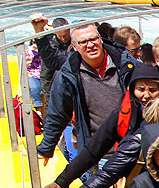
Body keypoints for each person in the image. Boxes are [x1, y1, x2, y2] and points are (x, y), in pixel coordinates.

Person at [44, 65, 159, 188]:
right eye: (141, 89)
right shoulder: (121, 116)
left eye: (153, 89)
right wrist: (62, 182)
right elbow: (93, 152)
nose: (146, 96)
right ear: (131, 90)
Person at [37, 22, 137, 164]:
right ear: (74, 46)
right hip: (97, 155)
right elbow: (58, 113)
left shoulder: (126, 64)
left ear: (100, 39)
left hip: (130, 150)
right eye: (83, 42)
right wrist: (46, 148)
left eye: (93, 39)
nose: (90, 45)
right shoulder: (68, 75)